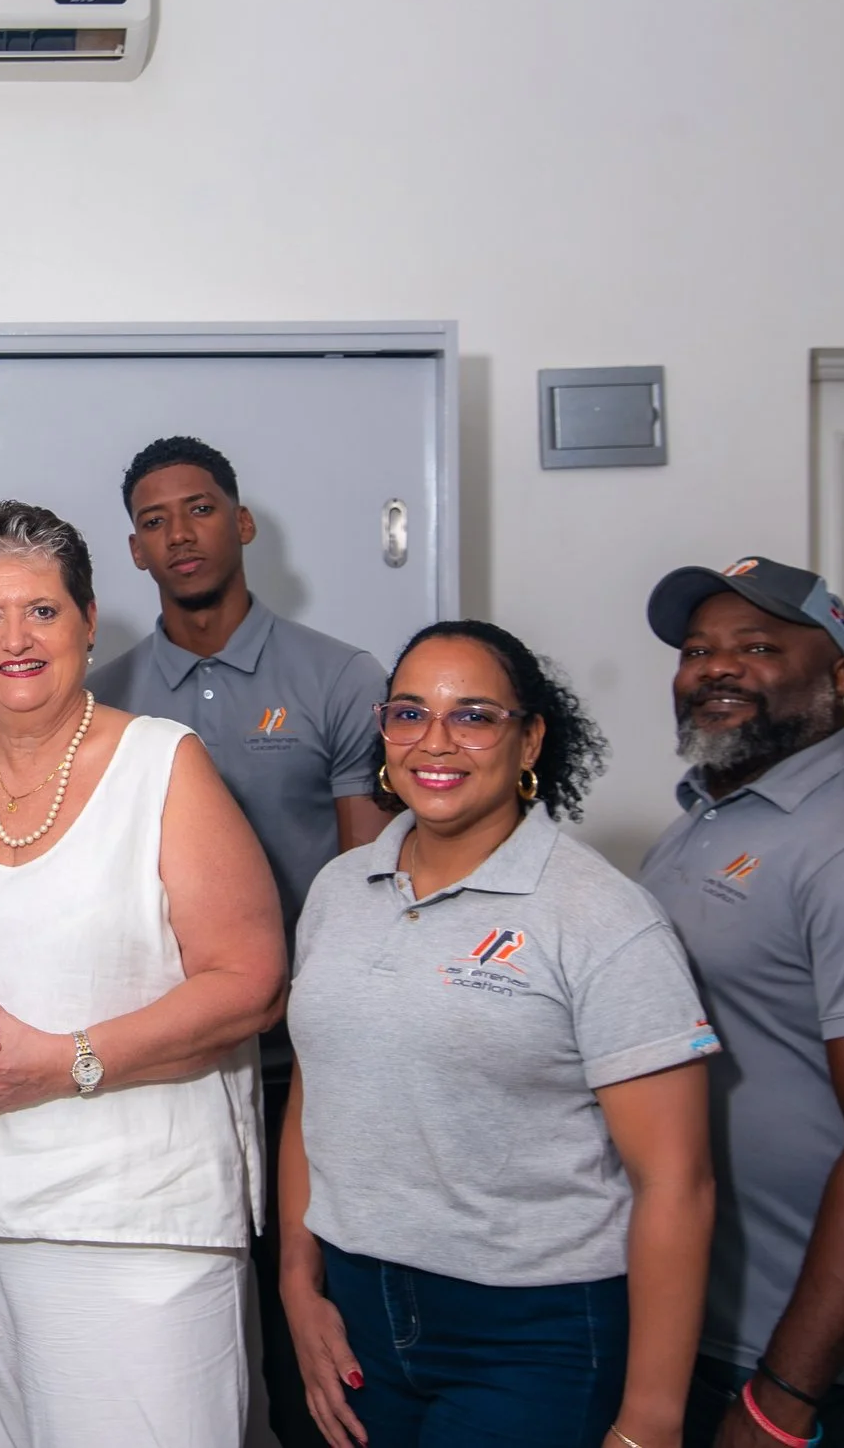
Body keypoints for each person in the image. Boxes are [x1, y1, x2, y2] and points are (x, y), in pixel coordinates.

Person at [0, 500, 285, 1448]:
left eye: (43, 610)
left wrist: (67, 1061)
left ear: (89, 619)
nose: (16, 638)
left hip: (131, 1224)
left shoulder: (164, 766)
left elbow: (251, 979)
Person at [279, 619, 717, 1448]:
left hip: (530, 1334)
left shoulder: (600, 917)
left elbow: (677, 1183)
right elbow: (316, 1089)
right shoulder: (340, 888)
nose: (434, 741)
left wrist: (650, 1424)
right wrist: (299, 1287)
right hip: (358, 1315)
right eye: (408, 713)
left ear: (529, 740)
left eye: (473, 715)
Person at [88, 434, 391, 1448]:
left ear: (242, 521)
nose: (179, 533)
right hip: (158, 1065)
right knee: (171, 1340)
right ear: (132, 549)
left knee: (309, 1331)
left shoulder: (337, 676)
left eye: (200, 508)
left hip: (299, 1065)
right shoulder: (102, 700)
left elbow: (370, 886)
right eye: (154, 519)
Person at [637, 558, 844, 1448]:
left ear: (839, 675)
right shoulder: (708, 818)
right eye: (697, 648)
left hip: (777, 1342)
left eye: (757, 645)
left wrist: (783, 1393)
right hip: (687, 1304)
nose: (715, 667)